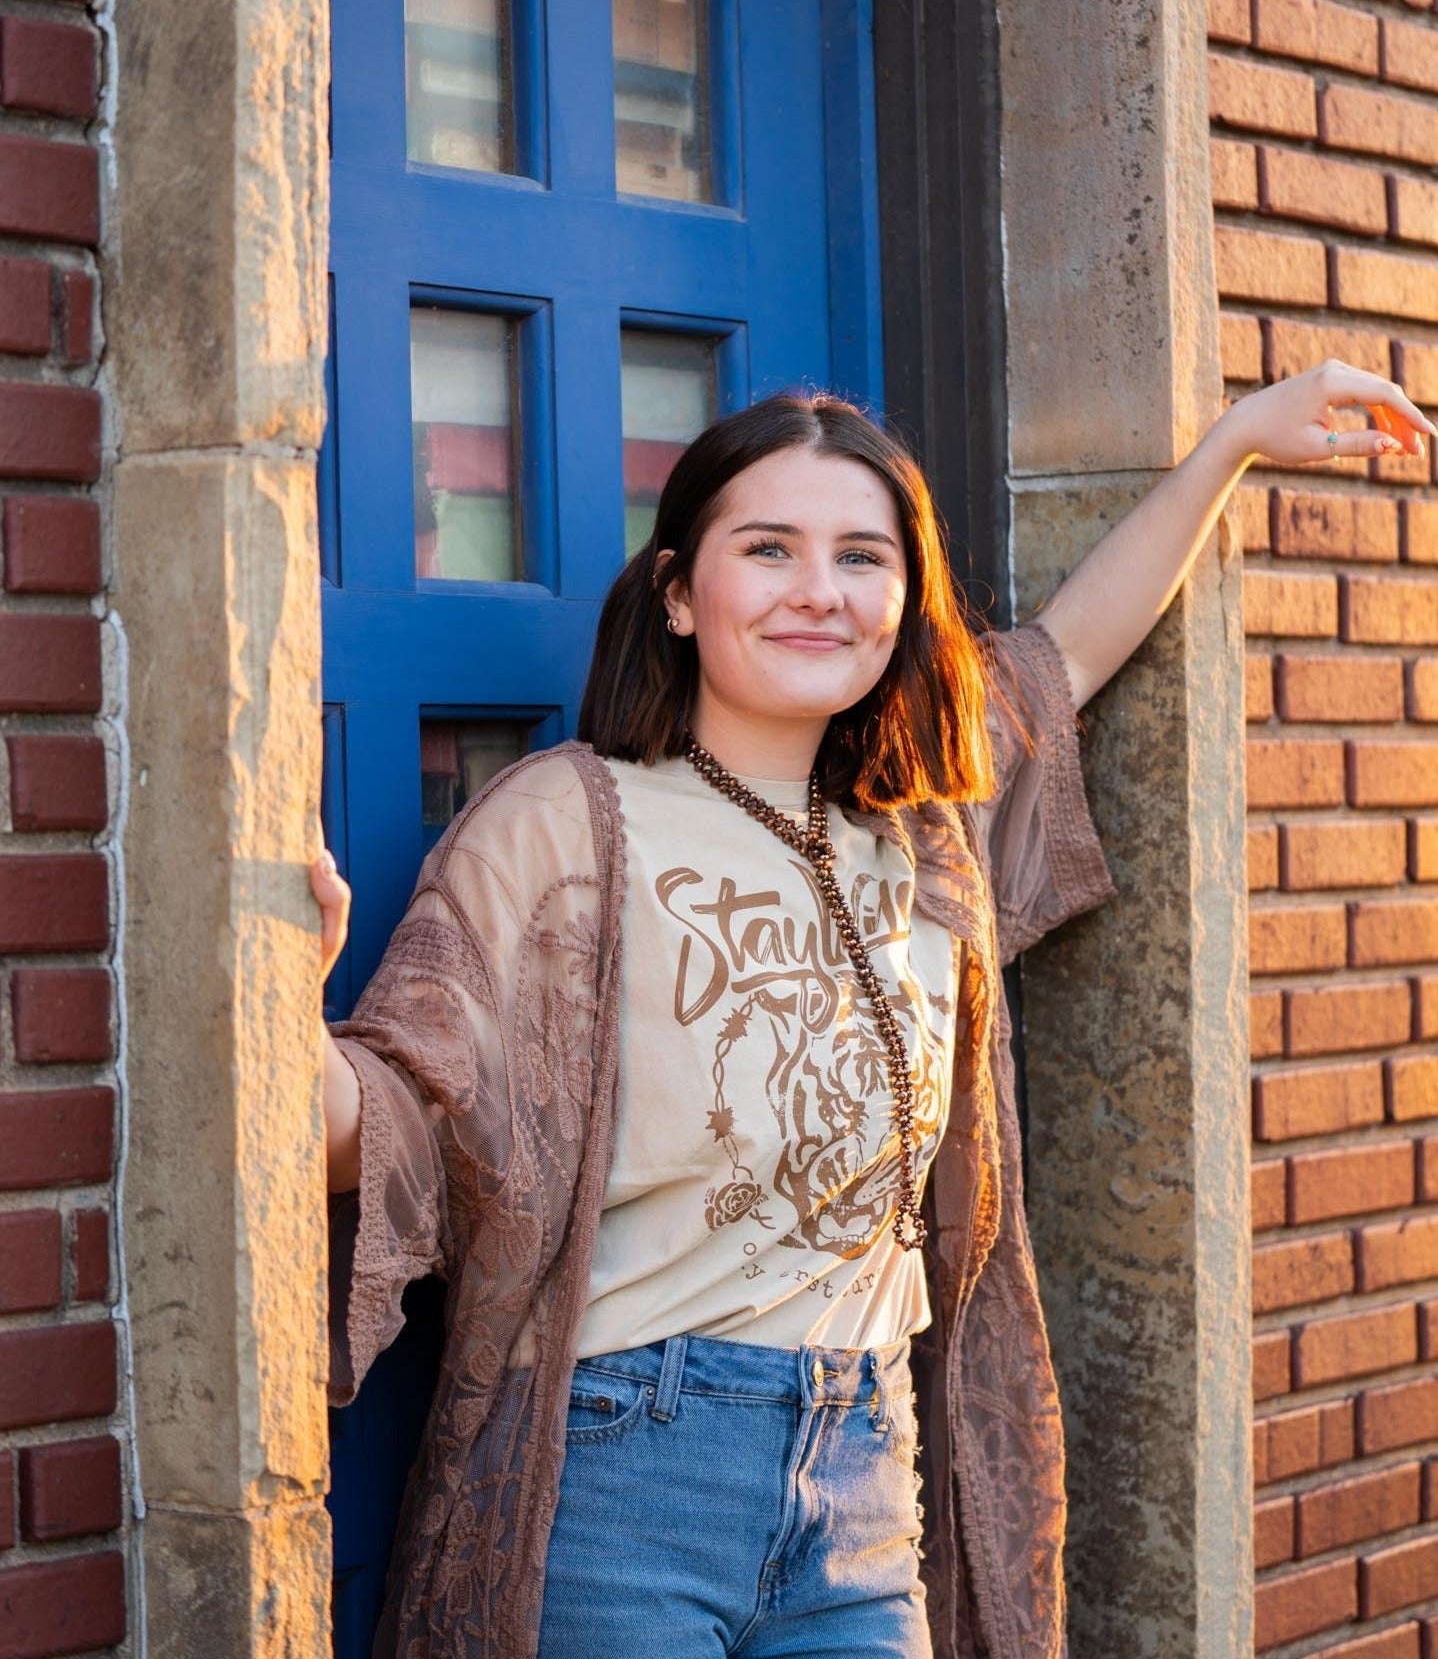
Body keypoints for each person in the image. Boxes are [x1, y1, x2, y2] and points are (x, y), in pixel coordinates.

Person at [314, 362, 1432, 1659]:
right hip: (627, 1461)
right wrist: (282, 1011)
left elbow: (1067, 651)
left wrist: (1232, 444)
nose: (817, 591)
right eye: (767, 549)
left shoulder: (924, 829)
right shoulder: (572, 819)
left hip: (864, 1467)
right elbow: (395, 1103)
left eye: (861, 556)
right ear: (678, 593)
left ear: (903, 603)